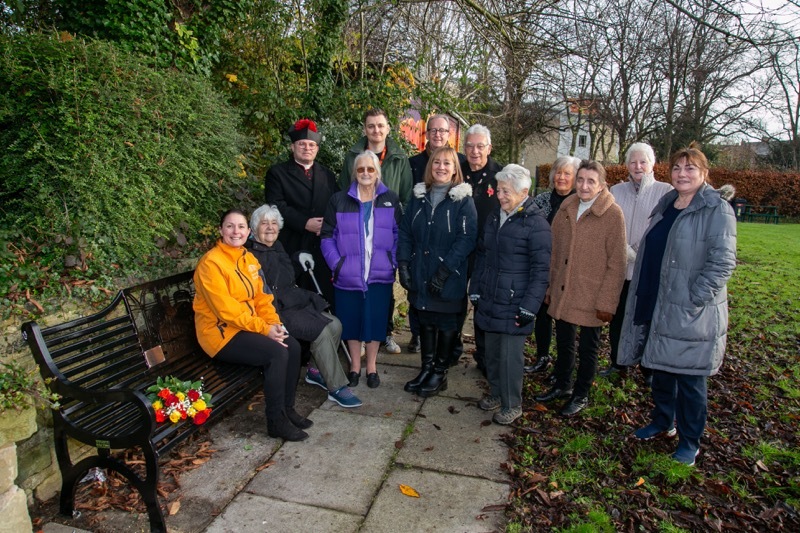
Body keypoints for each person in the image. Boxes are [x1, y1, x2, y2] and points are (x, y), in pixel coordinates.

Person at [618, 143, 736, 466]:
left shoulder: (716, 209)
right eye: (678, 169)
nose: (682, 174)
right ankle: (662, 421)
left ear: (704, 174)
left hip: (690, 310)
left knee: (689, 378)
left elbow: (723, 262)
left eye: (690, 169)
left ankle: (689, 440)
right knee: (660, 368)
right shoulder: (668, 202)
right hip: (657, 299)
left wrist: (694, 299)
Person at [193, 209, 310, 441]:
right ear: (220, 230)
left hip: (247, 327)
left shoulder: (248, 258)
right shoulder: (211, 263)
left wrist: (275, 325)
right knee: (276, 354)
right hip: (220, 334)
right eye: (229, 226)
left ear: (248, 232)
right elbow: (226, 310)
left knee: (292, 346)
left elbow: (262, 299)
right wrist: (263, 329)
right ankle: (275, 421)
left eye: (240, 227)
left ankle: (287, 410)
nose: (235, 231)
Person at [246, 205, 362, 408]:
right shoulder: (250, 254)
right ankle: (336, 387)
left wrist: (297, 258)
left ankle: (316, 371)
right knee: (321, 330)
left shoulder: (277, 246)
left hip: (292, 302)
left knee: (335, 324)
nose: (270, 227)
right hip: (275, 310)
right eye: (264, 223)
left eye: (274, 223)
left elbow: (285, 275)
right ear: (254, 228)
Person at [535, 160, 626, 417]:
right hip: (565, 289)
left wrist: (607, 302)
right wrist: (549, 287)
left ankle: (581, 393)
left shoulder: (612, 214)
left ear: (601, 185)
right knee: (564, 341)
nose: (584, 186)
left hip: (592, 293)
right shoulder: (567, 206)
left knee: (589, 347)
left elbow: (617, 262)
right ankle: (563, 384)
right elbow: (554, 252)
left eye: (591, 181)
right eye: (581, 180)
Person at [469, 164, 551, 425]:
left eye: (506, 191)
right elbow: (483, 254)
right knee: (491, 354)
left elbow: (541, 269)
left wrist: (530, 306)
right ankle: (496, 393)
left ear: (524, 192)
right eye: (499, 190)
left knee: (509, 359)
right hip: (491, 297)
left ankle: (512, 404)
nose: (500, 196)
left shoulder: (536, 224)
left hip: (516, 302)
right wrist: (476, 289)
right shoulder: (496, 216)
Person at [398, 146, 478, 397]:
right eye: (436, 163)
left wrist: (444, 272)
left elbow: (466, 239)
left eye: (447, 163)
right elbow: (405, 233)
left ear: (455, 169)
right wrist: (403, 264)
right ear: (430, 167)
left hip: (448, 275)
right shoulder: (418, 197)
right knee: (426, 323)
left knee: (445, 324)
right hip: (421, 272)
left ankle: (440, 373)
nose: (441, 167)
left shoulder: (463, 201)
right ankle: (427, 368)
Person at [322, 151, 402, 389]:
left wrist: (392, 261)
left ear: (377, 172)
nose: (365, 173)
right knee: (352, 320)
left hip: (379, 273)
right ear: (354, 173)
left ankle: (373, 367)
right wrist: (338, 264)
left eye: (370, 169)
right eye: (360, 169)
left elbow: (399, 235)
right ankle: (355, 366)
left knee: (376, 321)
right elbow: (327, 236)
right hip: (348, 274)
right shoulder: (339, 200)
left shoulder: (391, 199)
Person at [339, 108, 412, 354]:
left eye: (380, 125)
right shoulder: (352, 156)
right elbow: (342, 192)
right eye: (371, 126)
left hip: (385, 227)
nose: (376, 130)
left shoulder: (399, 158)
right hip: (357, 227)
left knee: (383, 287)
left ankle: (384, 334)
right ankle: (358, 338)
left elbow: (406, 195)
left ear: (388, 128)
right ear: (365, 129)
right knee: (357, 285)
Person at [601, 143, 673, 381]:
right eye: (633, 162)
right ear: (627, 165)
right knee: (619, 317)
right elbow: (608, 224)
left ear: (652, 164)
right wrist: (620, 249)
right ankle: (618, 362)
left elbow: (665, 229)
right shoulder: (616, 191)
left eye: (643, 161)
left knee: (645, 318)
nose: (638, 166)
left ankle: (647, 366)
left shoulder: (665, 191)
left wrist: (639, 252)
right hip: (619, 268)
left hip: (648, 268)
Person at [406, 114, 467, 354]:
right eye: (433, 130)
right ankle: (419, 341)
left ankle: (448, 349)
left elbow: (465, 234)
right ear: (427, 133)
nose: (438, 134)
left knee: (447, 306)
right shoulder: (413, 165)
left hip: (447, 251)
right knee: (420, 300)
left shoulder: (459, 168)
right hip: (421, 245)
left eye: (442, 130)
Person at [265, 119, 339, 307]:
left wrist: (327, 224)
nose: (307, 148)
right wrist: (305, 222)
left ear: (317, 149)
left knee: (322, 295)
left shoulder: (328, 175)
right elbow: (276, 206)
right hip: (292, 243)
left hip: (321, 244)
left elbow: (336, 204)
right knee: (295, 297)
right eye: (302, 144)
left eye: (311, 145)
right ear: (292, 147)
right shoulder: (277, 173)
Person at [525, 155, 582, 374]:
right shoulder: (542, 200)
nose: (561, 177)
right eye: (558, 172)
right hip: (543, 266)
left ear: (575, 177)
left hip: (568, 269)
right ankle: (542, 356)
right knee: (542, 314)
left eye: (567, 173)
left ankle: (564, 367)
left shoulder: (580, 204)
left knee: (565, 320)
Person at [460, 124, 502, 375]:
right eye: (470, 146)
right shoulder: (457, 171)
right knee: (454, 300)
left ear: (489, 147)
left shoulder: (500, 175)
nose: (474, 151)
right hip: (458, 247)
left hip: (486, 251)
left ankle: (484, 355)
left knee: (482, 303)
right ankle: (450, 349)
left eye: (480, 146)